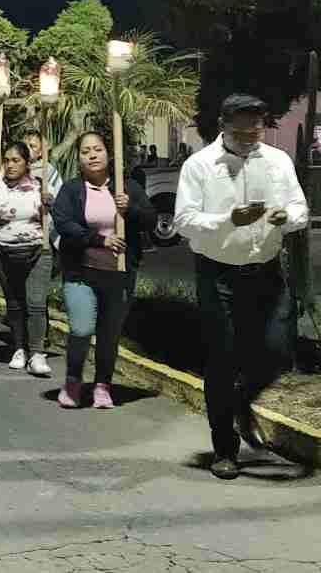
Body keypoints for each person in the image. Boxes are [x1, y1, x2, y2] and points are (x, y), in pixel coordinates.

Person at [174, 94, 309, 480]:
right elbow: (184, 221)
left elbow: (300, 208)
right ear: (223, 125)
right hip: (218, 273)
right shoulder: (199, 166)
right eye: (242, 129)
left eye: (257, 127)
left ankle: (241, 402)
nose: (251, 135)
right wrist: (227, 220)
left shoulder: (278, 161)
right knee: (223, 359)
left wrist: (288, 217)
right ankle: (224, 448)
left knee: (280, 350)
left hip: (267, 271)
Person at [51, 131, 155, 411]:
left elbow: (150, 219)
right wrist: (100, 240)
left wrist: (129, 208)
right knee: (82, 328)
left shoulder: (127, 187)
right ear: (79, 159)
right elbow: (64, 223)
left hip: (119, 275)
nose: (92, 155)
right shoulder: (72, 190)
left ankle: (102, 385)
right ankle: (73, 382)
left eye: (97, 149)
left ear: (109, 154)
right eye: (85, 152)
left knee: (109, 334)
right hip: (81, 272)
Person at [0, 143, 51, 377]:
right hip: (4, 253)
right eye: (7, 160)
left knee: (36, 302)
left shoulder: (40, 188)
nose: (10, 164)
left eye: (16, 160)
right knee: (15, 304)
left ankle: (37, 353)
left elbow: (56, 219)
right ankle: (19, 349)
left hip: (37, 251)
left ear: (27, 163)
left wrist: (50, 204)